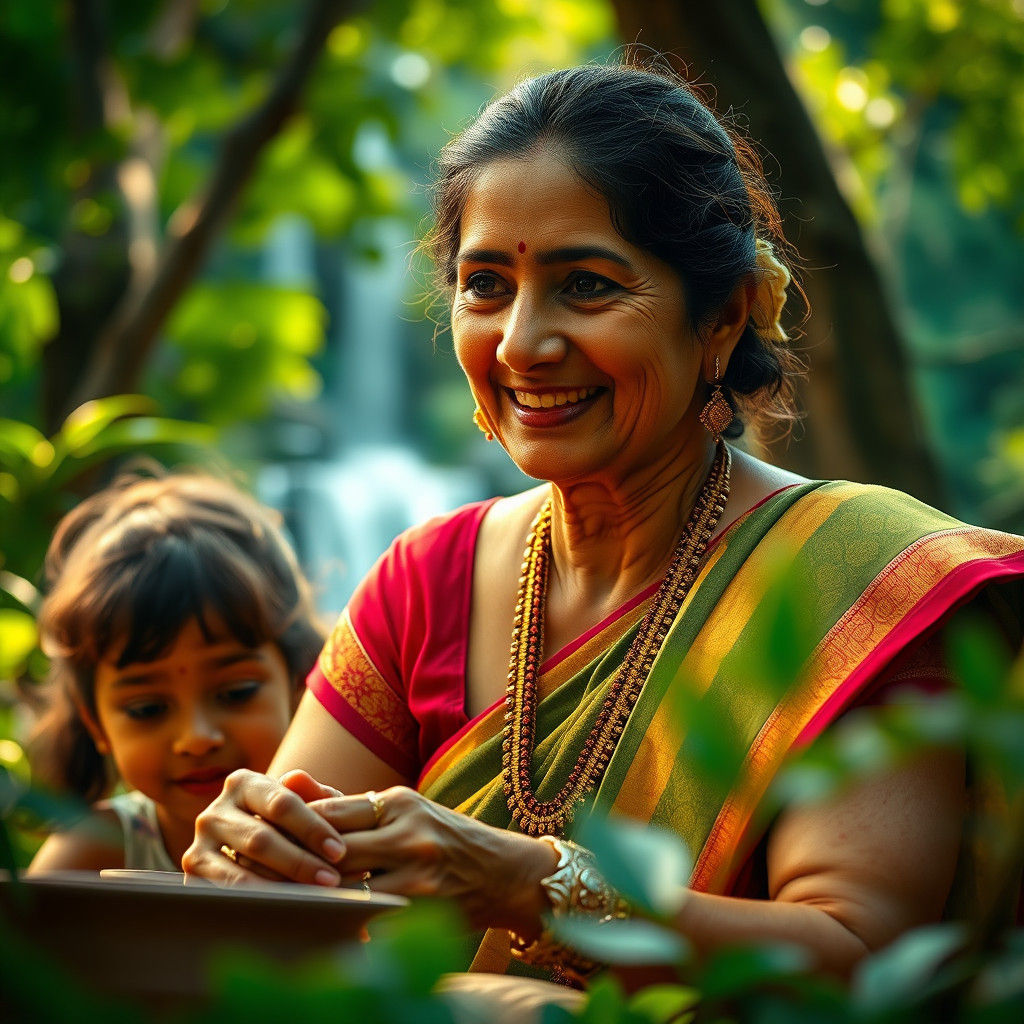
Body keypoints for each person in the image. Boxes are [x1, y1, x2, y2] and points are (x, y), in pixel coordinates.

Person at [182, 61, 1024, 983]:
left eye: (585, 286)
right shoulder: (427, 582)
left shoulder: (858, 581)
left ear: (721, 318)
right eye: (486, 286)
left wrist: (536, 887)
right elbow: (283, 915)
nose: (521, 344)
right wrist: (252, 857)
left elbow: (859, 963)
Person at [27, 471, 324, 874]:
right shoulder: (88, 856)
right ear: (95, 723)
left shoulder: (333, 837)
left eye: (236, 692)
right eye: (147, 708)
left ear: (300, 684)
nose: (197, 738)